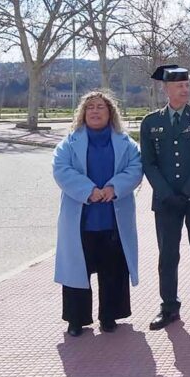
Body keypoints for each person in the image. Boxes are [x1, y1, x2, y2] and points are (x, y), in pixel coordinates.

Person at [51, 91, 143, 337]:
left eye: (100, 107)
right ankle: (76, 319)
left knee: (113, 270)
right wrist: (88, 190)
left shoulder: (126, 144)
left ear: (110, 112)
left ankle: (110, 316)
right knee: (76, 271)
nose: (94, 111)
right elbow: (61, 170)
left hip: (113, 219)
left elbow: (135, 169)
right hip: (81, 220)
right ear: (82, 113)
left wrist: (114, 187)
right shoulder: (68, 143)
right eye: (89, 107)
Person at [140, 65, 190, 330]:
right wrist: (166, 193)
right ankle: (169, 306)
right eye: (179, 86)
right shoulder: (151, 122)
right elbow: (148, 163)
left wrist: (187, 192)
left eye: (187, 85)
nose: (185, 90)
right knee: (168, 255)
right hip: (166, 202)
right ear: (166, 89)